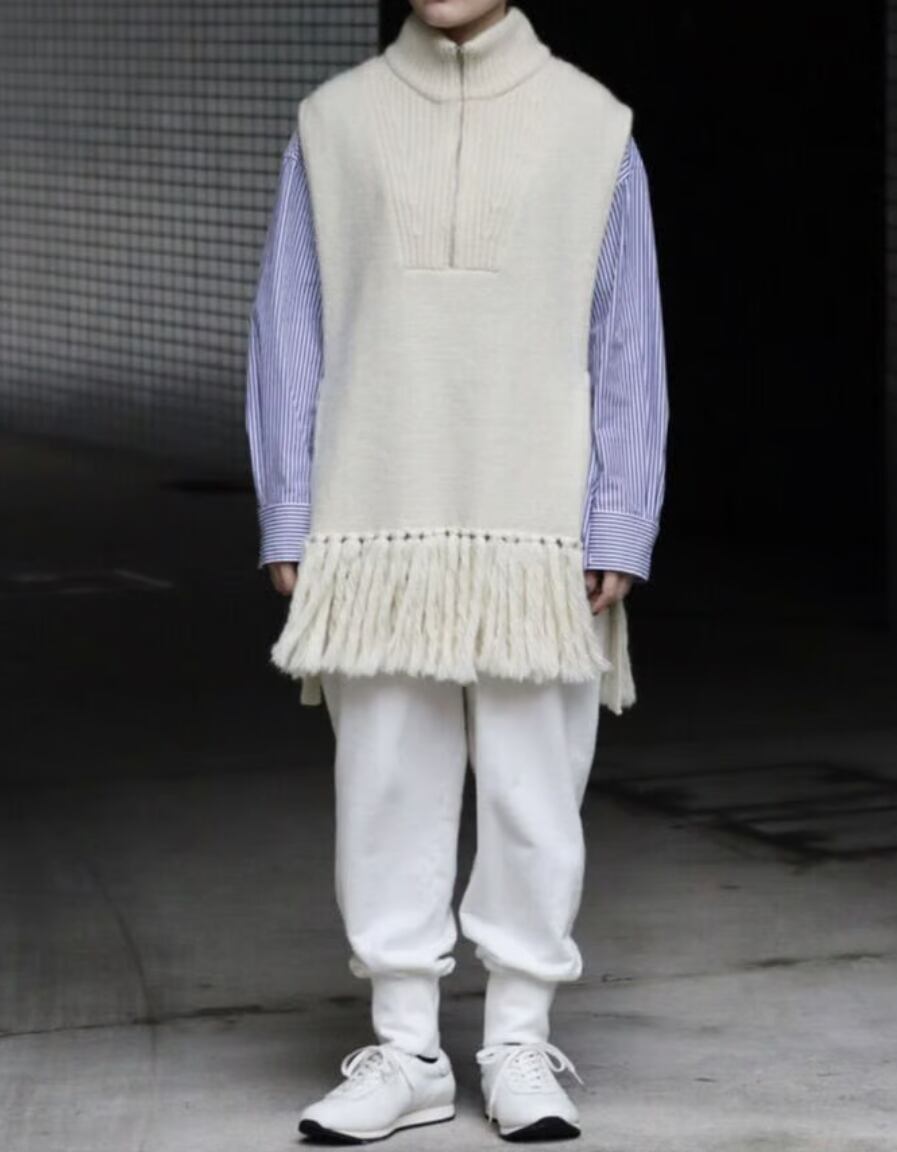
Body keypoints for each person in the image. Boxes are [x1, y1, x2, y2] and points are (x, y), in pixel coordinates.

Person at [245, 0, 669, 1142]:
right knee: (384, 785)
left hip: (540, 525)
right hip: (376, 519)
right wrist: (291, 510)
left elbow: (626, 335)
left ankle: (518, 1040)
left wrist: (618, 518)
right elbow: (290, 325)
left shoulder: (593, 124)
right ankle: (407, 1051)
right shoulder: (333, 123)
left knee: (536, 794)